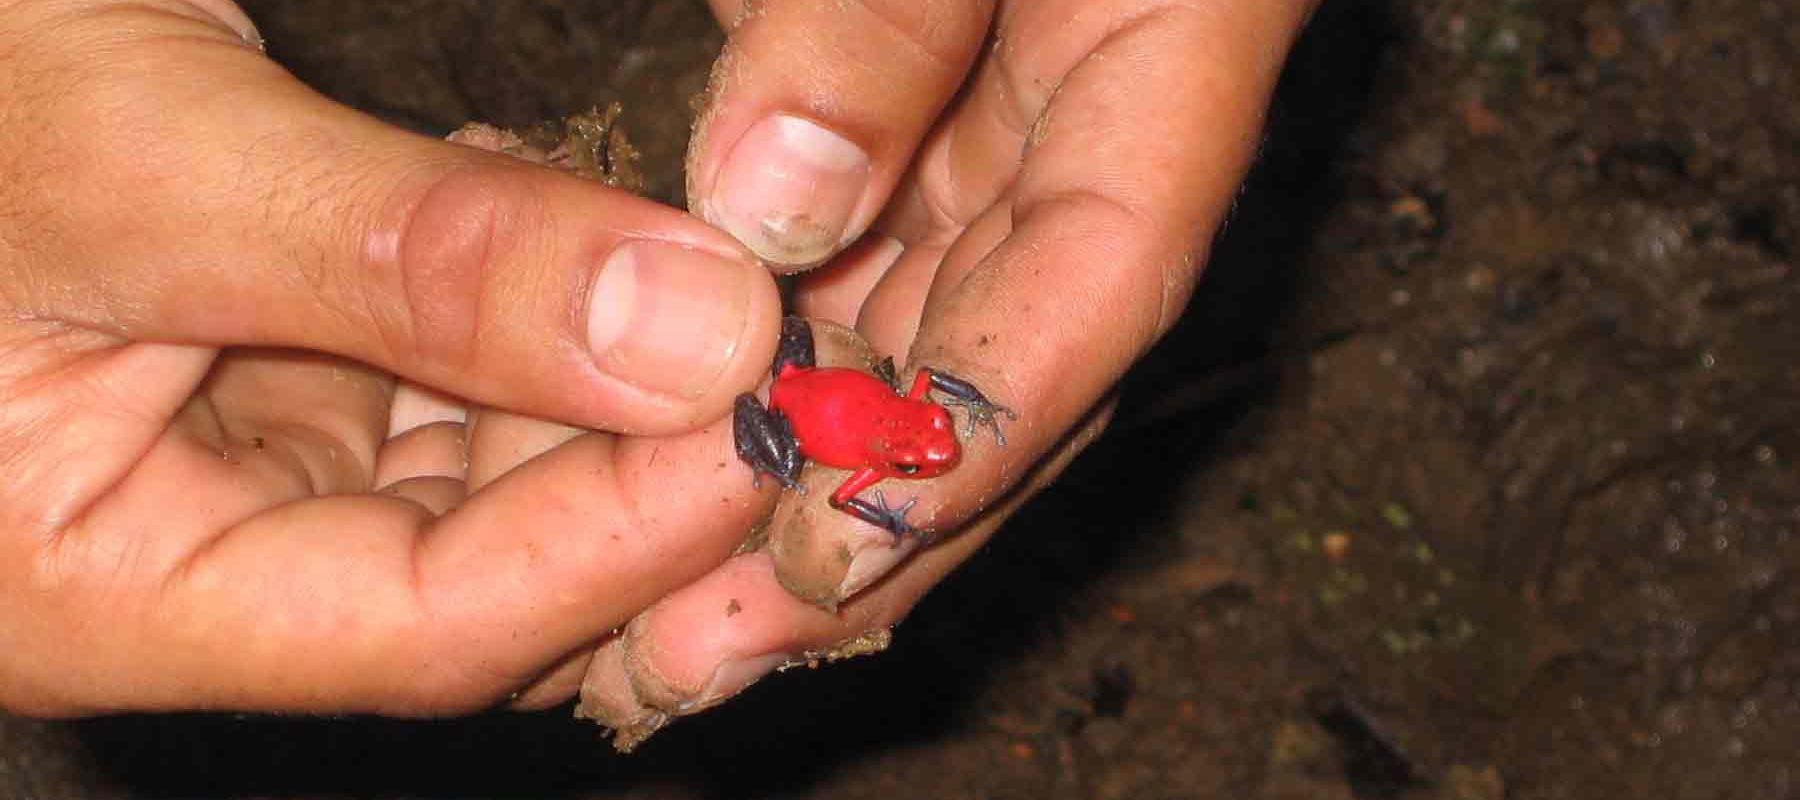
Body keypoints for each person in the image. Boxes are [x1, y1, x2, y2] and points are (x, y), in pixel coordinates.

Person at [0, 0, 1318, 725]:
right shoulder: (877, 434)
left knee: (798, 457)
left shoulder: (899, 442)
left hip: (814, 408)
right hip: (790, 396)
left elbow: (888, 453)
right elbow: (848, 433)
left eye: (921, 450)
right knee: (766, 420)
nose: (927, 450)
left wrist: (884, 453)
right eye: (922, 446)